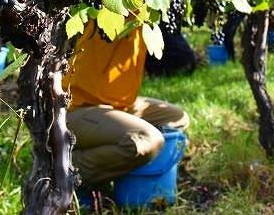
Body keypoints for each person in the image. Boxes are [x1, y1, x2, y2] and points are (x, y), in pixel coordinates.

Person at [63, 19, 190, 203]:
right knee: (147, 140)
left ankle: (119, 165)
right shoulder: (100, 3)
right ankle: (65, 168)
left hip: (116, 105)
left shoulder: (141, 12)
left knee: (178, 119)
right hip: (74, 108)